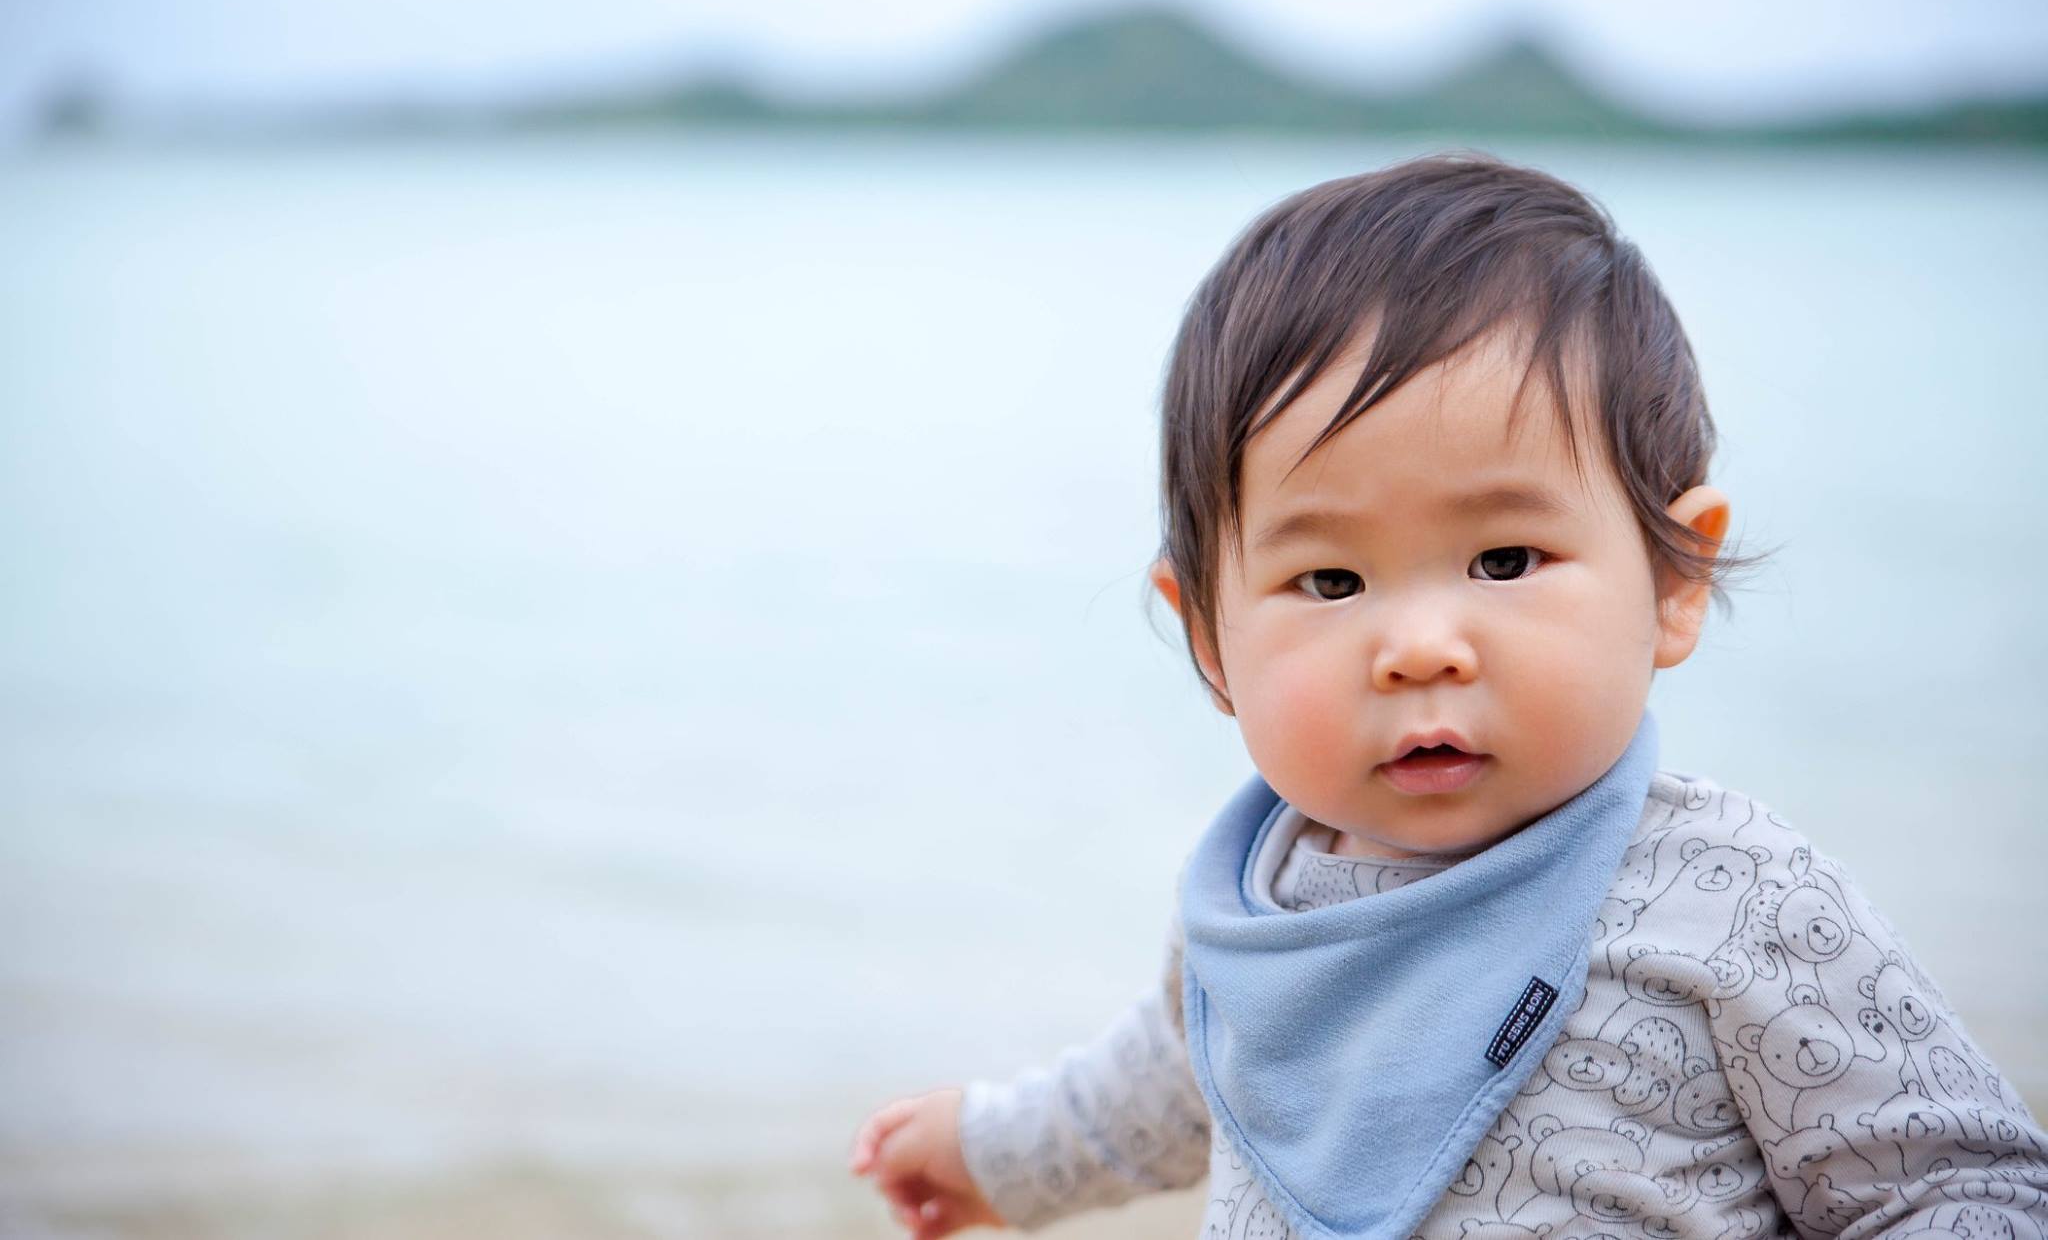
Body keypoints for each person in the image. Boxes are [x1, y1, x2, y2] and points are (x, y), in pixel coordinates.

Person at [847, 154, 2047, 1240]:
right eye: (1330, 581)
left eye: (1504, 560)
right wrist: (992, 1152)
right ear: (1208, 636)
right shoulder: (1260, 898)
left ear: (1673, 580)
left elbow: (1959, 1185)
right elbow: (1168, 1083)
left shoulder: (1732, 898)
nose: (1420, 648)